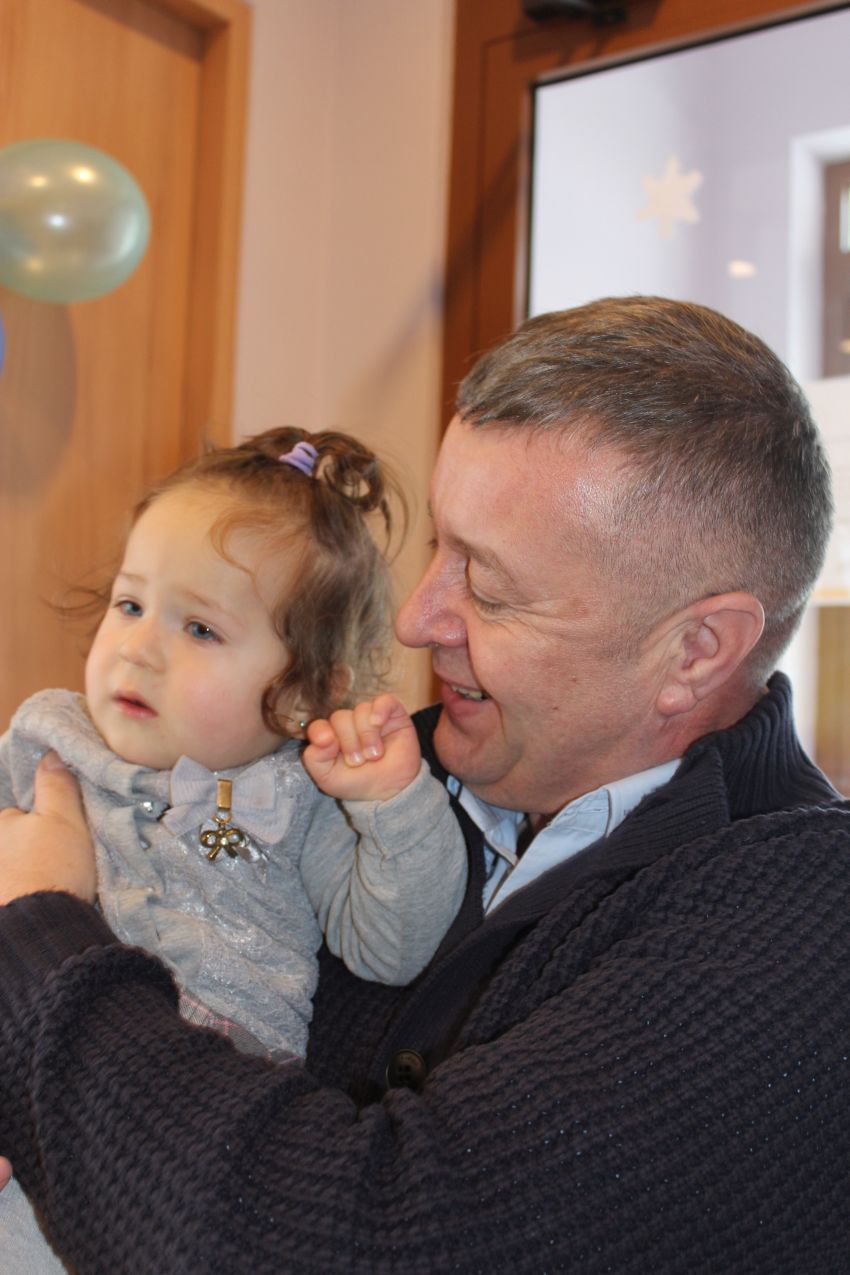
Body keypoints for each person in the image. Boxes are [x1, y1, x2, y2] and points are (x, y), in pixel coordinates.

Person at [0, 295, 849, 1273]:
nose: (414, 619)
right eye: (437, 547)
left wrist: (35, 931)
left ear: (695, 650)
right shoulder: (351, 774)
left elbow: (355, 1243)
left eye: (487, 586)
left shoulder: (804, 930)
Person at [0, 426, 466, 1271]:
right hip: (33, 1112)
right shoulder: (46, 747)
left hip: (200, 1156)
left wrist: (393, 800)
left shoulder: (306, 804)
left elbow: (395, 944)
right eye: (129, 604)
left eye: (200, 628)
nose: (138, 646)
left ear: (306, 692)